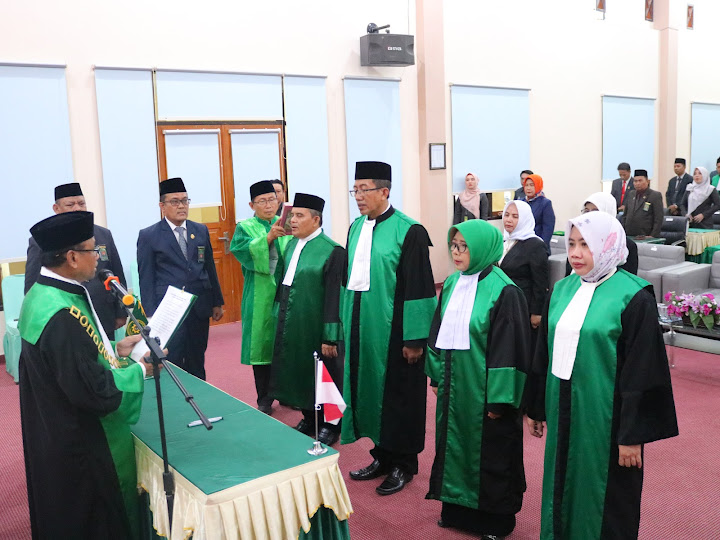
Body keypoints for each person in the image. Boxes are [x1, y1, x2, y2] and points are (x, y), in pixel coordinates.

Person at [526, 211, 678, 540]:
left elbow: (643, 372)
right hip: (564, 413)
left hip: (607, 424)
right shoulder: (562, 290)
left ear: (608, 245)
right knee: (561, 485)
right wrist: (536, 407)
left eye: (586, 244)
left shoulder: (633, 297)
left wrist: (631, 436)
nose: (576, 253)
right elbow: (543, 353)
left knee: (606, 502)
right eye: (571, 244)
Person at [19, 211, 158, 539]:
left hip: (50, 428)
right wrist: (141, 369)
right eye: (92, 250)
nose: (98, 257)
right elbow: (93, 392)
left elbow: (73, 360)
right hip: (79, 444)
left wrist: (116, 350)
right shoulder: (61, 314)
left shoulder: (45, 293)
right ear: (71, 257)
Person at [426, 219, 530, 539]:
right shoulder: (453, 283)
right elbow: (438, 329)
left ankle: (495, 521)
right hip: (455, 386)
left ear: (483, 248)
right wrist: (437, 375)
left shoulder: (505, 291)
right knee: (452, 445)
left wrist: (499, 400)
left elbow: (510, 349)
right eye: (454, 246)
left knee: (492, 452)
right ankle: (455, 509)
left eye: (464, 247)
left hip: (485, 391)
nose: (456, 253)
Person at [343, 161, 437, 496]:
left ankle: (403, 464)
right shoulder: (356, 228)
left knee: (400, 398)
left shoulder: (409, 231)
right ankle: (381, 455)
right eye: (354, 190)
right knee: (370, 390)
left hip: (397, 331)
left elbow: (420, 286)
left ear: (384, 191)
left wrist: (415, 338)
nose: (358, 196)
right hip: (363, 328)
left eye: (364, 189)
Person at [270, 193, 346, 446]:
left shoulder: (332, 251)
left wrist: (330, 336)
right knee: (300, 371)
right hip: (294, 323)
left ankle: (331, 424)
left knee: (326, 375)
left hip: (318, 326)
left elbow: (335, 297)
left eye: (299, 216)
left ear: (316, 219)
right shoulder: (291, 245)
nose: (292, 220)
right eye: (292, 215)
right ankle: (309, 417)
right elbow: (283, 285)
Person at [137, 177, 224, 380]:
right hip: (169, 311)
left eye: (185, 201)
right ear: (162, 206)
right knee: (172, 358)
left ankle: (198, 395)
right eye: (175, 201)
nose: (182, 206)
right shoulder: (149, 235)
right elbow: (146, 277)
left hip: (198, 308)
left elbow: (209, 268)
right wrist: (150, 314)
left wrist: (217, 302)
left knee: (197, 358)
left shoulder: (200, 230)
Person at [25, 182, 127, 338]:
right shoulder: (43, 241)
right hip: (65, 316)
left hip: (102, 312)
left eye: (81, 203)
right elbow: (32, 285)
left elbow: (116, 272)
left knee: (108, 352)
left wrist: (121, 311)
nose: (77, 208)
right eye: (70, 205)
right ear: (56, 209)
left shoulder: (103, 234)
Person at [230, 180, 290, 414]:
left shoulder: (287, 223)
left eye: (272, 199)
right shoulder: (245, 227)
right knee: (262, 345)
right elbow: (241, 251)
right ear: (251, 205)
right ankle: (264, 398)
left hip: (286, 292)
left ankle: (287, 394)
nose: (268, 205)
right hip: (260, 295)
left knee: (285, 343)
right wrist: (267, 238)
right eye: (262, 201)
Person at [498, 200, 548, 346]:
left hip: (522, 306)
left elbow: (540, 282)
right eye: (506, 215)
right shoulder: (503, 240)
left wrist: (537, 312)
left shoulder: (535, 245)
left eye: (515, 216)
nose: (509, 220)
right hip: (502, 304)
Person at [566, 192, 638, 275]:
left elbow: (628, 279)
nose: (589, 215)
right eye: (586, 211)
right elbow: (567, 278)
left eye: (595, 211)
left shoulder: (625, 245)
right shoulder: (576, 240)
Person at [621, 169, 663, 238]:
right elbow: (625, 215)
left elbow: (658, 218)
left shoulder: (654, 195)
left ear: (647, 181)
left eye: (640, 181)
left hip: (646, 235)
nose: (637, 183)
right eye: (635, 181)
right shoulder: (631, 194)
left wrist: (653, 235)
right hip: (629, 234)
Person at [521, 173, 556, 248]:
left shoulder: (545, 203)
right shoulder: (521, 202)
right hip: (522, 244)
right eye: (526, 185)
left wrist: (541, 246)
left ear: (538, 186)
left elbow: (548, 228)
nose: (528, 188)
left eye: (532, 185)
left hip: (538, 246)